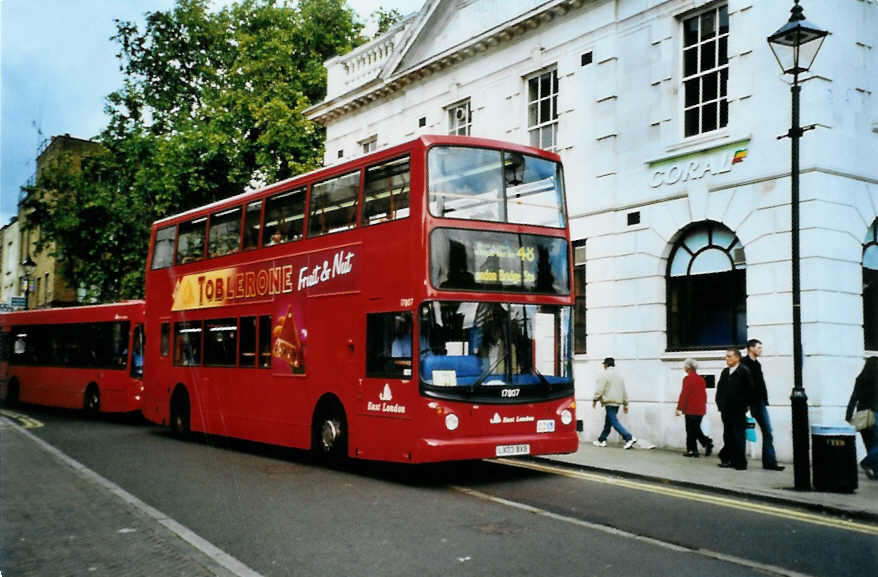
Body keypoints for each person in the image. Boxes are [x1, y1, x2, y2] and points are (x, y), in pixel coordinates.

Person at [740, 339, 785, 471]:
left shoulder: (757, 364)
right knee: (740, 433)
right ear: (750, 348)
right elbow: (742, 385)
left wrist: (764, 400)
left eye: (761, 347)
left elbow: (760, 385)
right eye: (758, 347)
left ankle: (770, 462)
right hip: (748, 404)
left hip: (759, 403)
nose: (761, 350)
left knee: (768, 431)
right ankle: (736, 460)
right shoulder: (743, 364)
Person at [716, 348, 753, 470]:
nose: (727, 359)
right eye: (726, 356)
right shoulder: (725, 372)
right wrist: (720, 405)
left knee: (738, 436)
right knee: (728, 435)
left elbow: (750, 390)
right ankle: (728, 460)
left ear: (737, 358)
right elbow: (720, 390)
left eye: (729, 356)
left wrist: (745, 405)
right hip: (726, 410)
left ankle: (740, 463)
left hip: (738, 409)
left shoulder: (744, 371)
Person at [592, 357, 637, 449]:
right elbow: (624, 391)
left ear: (606, 365)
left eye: (604, 364)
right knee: (608, 421)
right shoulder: (619, 376)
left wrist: (595, 399)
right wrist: (625, 404)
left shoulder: (604, 375)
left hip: (609, 402)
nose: (603, 366)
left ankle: (629, 437)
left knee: (613, 421)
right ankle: (602, 439)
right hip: (617, 402)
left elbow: (600, 389)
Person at [846, 357, 878, 480]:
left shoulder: (860, 378)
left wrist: (848, 415)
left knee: (870, 445)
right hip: (875, 415)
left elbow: (853, 398)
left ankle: (875, 472)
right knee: (875, 444)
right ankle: (866, 462)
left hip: (862, 416)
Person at [676, 358, 713, 457]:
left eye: (685, 366)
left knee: (690, 430)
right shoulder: (701, 379)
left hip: (690, 409)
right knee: (695, 429)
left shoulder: (687, 379)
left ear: (688, 367)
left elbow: (684, 394)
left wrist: (679, 407)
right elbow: (704, 395)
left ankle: (697, 448)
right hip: (700, 409)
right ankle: (697, 448)